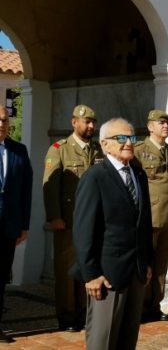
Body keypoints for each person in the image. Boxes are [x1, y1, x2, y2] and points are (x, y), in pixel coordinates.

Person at [71, 118, 153, 350]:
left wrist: (146, 261)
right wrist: (91, 274)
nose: (128, 142)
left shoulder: (139, 175)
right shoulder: (95, 177)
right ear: (105, 144)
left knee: (127, 341)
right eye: (121, 138)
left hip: (135, 273)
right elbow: (83, 230)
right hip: (106, 276)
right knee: (103, 341)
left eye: (131, 137)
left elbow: (144, 224)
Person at [42, 104, 102, 332]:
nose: (90, 126)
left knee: (87, 267)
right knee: (67, 271)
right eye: (86, 121)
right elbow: (50, 187)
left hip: (92, 222)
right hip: (68, 221)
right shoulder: (59, 149)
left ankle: (84, 314)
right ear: (73, 122)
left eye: (93, 122)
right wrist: (55, 216)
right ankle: (67, 317)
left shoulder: (96, 151)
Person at [133, 110, 168, 322]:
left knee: (161, 265)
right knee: (145, 263)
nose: (165, 126)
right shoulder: (139, 151)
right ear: (150, 126)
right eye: (161, 123)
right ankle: (140, 306)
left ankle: (155, 305)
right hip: (149, 218)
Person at [0, 105, 33, 344]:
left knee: (1, 277)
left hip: (8, 227)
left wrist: (24, 225)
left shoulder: (19, 151)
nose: (2, 124)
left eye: (4, 119)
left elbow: (26, 191)